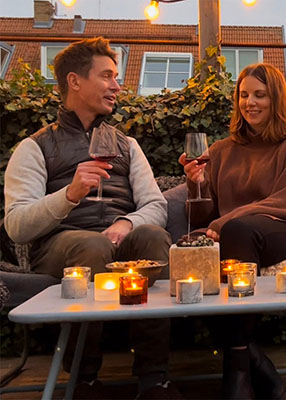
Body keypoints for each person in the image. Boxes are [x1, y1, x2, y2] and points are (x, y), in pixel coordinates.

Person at [4, 37, 180, 399]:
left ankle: (155, 379)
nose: (117, 86)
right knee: (92, 244)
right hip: (62, 245)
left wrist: (126, 222)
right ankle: (83, 380)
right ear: (74, 81)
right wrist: (69, 194)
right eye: (107, 77)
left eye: (117, 77)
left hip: (118, 238)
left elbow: (155, 205)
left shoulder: (126, 145)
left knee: (152, 236)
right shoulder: (35, 147)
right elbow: (17, 226)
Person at [179, 63, 286, 399]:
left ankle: (238, 376)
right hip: (234, 236)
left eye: (260, 95)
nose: (249, 102)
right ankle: (259, 369)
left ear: (277, 100)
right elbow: (206, 214)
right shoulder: (222, 150)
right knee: (192, 257)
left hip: (285, 230)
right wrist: (194, 185)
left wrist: (225, 222)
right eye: (243, 95)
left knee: (238, 229)